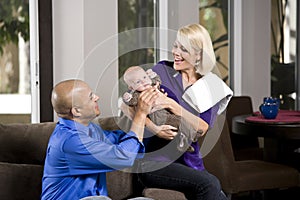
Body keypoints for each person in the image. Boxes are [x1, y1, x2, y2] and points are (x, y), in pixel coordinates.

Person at [121, 23, 232, 200]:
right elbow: (125, 104)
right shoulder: (161, 72)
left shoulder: (210, 86)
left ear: (199, 55)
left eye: (184, 50)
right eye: (175, 46)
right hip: (154, 161)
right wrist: (154, 128)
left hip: (189, 162)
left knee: (216, 193)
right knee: (210, 184)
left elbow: (202, 128)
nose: (176, 53)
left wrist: (172, 105)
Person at [41, 79, 159, 200]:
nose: (97, 97)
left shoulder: (89, 129)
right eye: (91, 97)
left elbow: (122, 140)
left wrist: (154, 127)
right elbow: (124, 157)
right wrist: (140, 114)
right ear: (76, 111)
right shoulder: (70, 141)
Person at [122, 66, 202, 153]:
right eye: (138, 82)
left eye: (144, 77)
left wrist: (153, 75)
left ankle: (189, 137)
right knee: (177, 123)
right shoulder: (138, 94)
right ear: (131, 88)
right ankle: (188, 138)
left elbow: (157, 81)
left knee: (180, 120)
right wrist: (127, 98)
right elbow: (131, 102)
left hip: (167, 113)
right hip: (157, 118)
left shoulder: (153, 84)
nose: (144, 82)